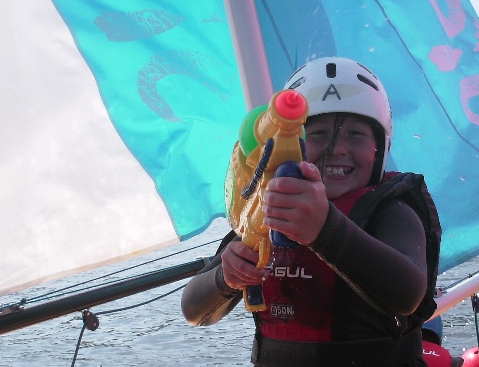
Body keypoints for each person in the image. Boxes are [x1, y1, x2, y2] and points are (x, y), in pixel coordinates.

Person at [181, 57, 442, 366]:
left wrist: (323, 228)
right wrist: (227, 276)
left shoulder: (392, 211)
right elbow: (193, 309)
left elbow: (407, 294)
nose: (339, 148)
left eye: (356, 134)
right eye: (317, 133)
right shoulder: (266, 210)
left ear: (380, 148)